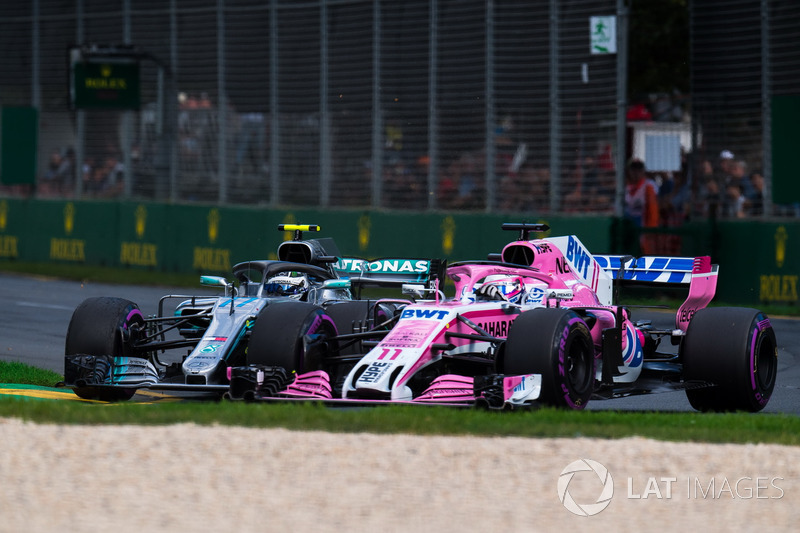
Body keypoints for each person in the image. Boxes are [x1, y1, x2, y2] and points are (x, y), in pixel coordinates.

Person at [624, 159, 659, 255]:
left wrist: (650, 230)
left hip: (643, 227)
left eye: (638, 170)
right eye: (633, 169)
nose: (636, 173)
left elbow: (653, 210)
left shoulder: (648, 185)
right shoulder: (626, 187)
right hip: (628, 227)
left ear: (643, 171)